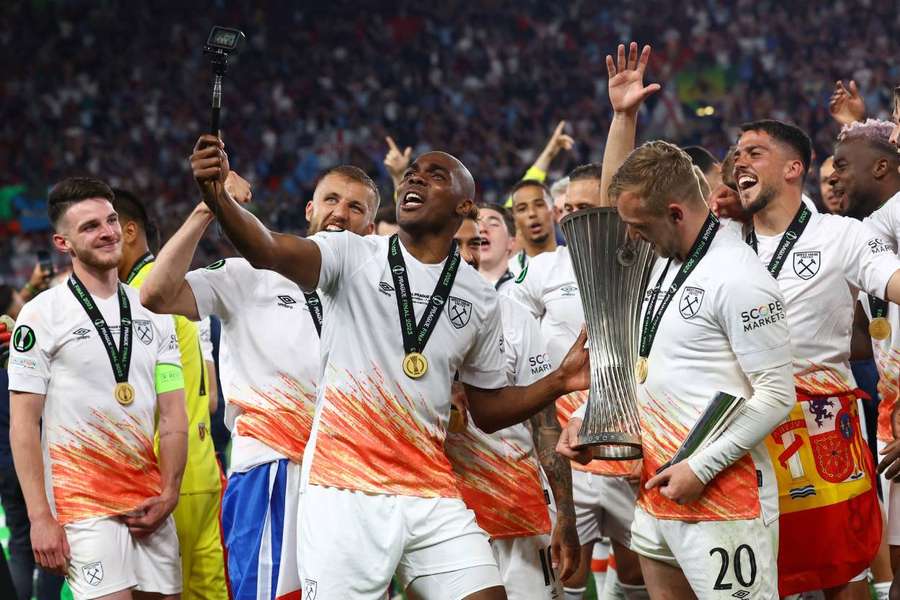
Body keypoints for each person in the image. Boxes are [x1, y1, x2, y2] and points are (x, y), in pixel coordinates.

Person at [188, 133, 590, 599]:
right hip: (344, 490)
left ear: (465, 209)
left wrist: (559, 381)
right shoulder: (352, 255)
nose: (417, 176)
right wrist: (216, 199)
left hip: (431, 490)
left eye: (436, 175)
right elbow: (270, 250)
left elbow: (489, 408)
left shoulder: (479, 297)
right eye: (413, 172)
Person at [560, 137, 795, 599]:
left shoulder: (739, 277)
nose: (630, 237)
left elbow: (777, 394)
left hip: (723, 500)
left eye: (638, 225)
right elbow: (651, 365)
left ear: (675, 213)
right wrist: (590, 417)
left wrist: (701, 468)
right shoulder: (665, 259)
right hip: (656, 494)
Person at [141, 164, 380, 600]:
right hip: (274, 470)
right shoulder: (248, 274)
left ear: (372, 228)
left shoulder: (378, 295)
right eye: (331, 200)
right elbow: (156, 294)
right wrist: (208, 206)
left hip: (351, 476)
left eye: (355, 207)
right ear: (310, 208)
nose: (340, 213)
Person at [733, 118, 900, 598]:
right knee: (759, 575)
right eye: (737, 153)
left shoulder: (841, 235)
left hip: (822, 424)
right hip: (745, 428)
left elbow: (891, 278)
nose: (740, 160)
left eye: (755, 152)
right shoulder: (722, 238)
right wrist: (624, 118)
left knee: (843, 571)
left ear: (793, 168)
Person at [7, 177, 188, 599]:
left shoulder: (154, 312)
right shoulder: (41, 315)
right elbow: (23, 425)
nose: (107, 232)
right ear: (62, 243)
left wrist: (170, 492)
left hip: (150, 503)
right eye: (90, 227)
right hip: (83, 505)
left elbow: (174, 411)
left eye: (110, 220)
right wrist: (40, 518)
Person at [444, 212, 579, 599]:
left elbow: (545, 423)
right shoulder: (405, 323)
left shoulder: (515, 317)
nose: (468, 256)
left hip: (518, 507)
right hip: (448, 517)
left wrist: (565, 514)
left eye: (475, 244)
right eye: (456, 244)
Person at [113, 188, 227, 600]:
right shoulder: (170, 286)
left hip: (164, 472)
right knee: (208, 589)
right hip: (202, 467)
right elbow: (209, 397)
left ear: (128, 231)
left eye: (107, 225)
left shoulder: (140, 295)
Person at [0, 281, 66, 600]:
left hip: (5, 462)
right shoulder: (27, 346)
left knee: (20, 544)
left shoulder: (12, 344)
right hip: (34, 458)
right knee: (52, 538)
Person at [507, 180, 557, 280]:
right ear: (515, 220)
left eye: (539, 205)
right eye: (522, 209)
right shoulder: (508, 274)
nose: (532, 213)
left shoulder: (577, 263)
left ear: (554, 211)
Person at [476, 204, 516, 291]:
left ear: (511, 242)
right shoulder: (453, 287)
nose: (482, 229)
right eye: (476, 224)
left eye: (493, 224)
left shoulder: (526, 288)